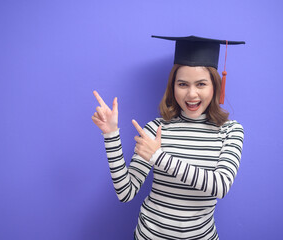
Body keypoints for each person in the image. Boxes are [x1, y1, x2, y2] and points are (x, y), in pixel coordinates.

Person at [92, 35, 245, 240]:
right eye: (182, 84)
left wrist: (159, 157)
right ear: (173, 86)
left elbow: (220, 186)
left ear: (215, 86)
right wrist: (110, 135)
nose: (191, 94)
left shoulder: (231, 131)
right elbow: (125, 193)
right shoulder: (156, 128)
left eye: (201, 84)